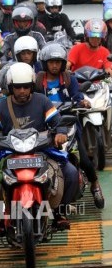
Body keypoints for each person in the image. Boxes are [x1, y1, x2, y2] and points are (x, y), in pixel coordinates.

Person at [0, 62, 79, 235]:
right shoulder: (0, 105)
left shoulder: (42, 101)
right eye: (18, 87)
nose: (22, 91)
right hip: (9, 152)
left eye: (26, 87)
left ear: (32, 86)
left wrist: (60, 133)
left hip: (41, 150)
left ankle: (59, 212)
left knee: (70, 171)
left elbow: (57, 122)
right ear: (11, 87)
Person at [35, 42, 105, 209]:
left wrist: (82, 101)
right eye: (51, 62)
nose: (54, 65)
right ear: (45, 63)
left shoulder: (69, 79)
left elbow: (76, 95)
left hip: (68, 125)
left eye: (58, 62)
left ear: (62, 63)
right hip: (45, 127)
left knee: (84, 160)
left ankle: (95, 184)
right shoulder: (37, 80)